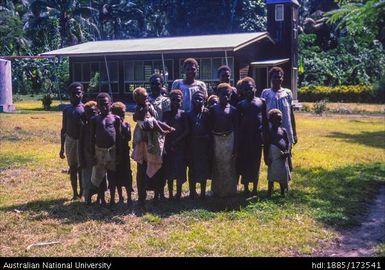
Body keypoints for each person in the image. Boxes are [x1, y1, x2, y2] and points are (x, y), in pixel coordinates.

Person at [236, 77, 268, 196]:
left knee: (255, 162)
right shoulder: (240, 104)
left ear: (255, 88)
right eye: (245, 89)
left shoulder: (261, 101)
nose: (248, 91)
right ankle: (246, 188)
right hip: (245, 138)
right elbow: (238, 123)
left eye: (250, 88)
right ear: (242, 91)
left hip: (257, 137)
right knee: (245, 162)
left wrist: (265, 136)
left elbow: (264, 120)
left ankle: (255, 187)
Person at [261, 67, 297, 171]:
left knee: (287, 151)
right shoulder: (265, 93)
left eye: (279, 77)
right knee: (273, 153)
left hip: (286, 126)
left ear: (282, 78)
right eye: (274, 77)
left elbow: (291, 113)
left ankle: (286, 178)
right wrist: (264, 131)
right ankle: (272, 178)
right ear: (270, 78)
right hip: (271, 129)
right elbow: (263, 114)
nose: (277, 79)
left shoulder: (288, 93)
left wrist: (294, 132)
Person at [90, 92, 122, 206]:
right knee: (100, 176)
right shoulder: (94, 119)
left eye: (106, 104)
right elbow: (91, 138)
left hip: (112, 151)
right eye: (100, 104)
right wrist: (92, 154)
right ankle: (102, 198)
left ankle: (113, 198)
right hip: (99, 151)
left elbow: (118, 137)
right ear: (97, 106)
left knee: (112, 175)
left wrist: (119, 153)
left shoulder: (115, 118)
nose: (103, 106)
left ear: (110, 104)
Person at [209, 83, 238, 197]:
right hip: (217, 139)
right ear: (218, 94)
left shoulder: (233, 110)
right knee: (218, 164)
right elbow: (210, 127)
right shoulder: (213, 109)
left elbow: (236, 128)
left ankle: (230, 190)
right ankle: (217, 190)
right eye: (222, 94)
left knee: (229, 165)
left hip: (230, 138)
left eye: (228, 95)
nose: (225, 97)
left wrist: (236, 145)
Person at [148, 74, 171, 200]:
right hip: (148, 135)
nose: (155, 86)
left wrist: (159, 128)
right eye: (153, 83)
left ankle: (161, 191)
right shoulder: (146, 99)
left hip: (161, 134)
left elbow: (167, 118)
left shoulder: (166, 100)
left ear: (162, 85)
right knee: (150, 163)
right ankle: (153, 191)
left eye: (158, 83)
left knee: (161, 164)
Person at [59, 82, 85, 200]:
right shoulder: (67, 110)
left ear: (82, 94)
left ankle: (83, 192)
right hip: (70, 141)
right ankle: (74, 193)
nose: (76, 95)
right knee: (73, 168)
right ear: (69, 95)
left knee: (82, 168)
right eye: (73, 93)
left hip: (82, 141)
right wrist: (61, 148)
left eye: (78, 93)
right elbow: (63, 129)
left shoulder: (85, 109)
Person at [163, 90, 189, 200]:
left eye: (178, 100)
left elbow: (186, 130)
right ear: (170, 101)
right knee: (169, 170)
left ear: (181, 101)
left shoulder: (183, 114)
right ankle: (170, 194)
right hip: (168, 146)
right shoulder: (166, 114)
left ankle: (178, 193)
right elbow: (163, 126)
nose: (175, 102)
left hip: (180, 146)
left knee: (179, 170)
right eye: (173, 100)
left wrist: (177, 141)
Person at [185, 91, 211, 199]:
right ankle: (192, 191)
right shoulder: (188, 115)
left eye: (201, 99)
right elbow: (187, 131)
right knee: (192, 169)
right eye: (196, 99)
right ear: (192, 101)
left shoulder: (207, 113)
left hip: (204, 146)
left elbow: (210, 128)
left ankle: (203, 192)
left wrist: (206, 137)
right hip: (192, 146)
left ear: (204, 100)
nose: (198, 101)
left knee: (203, 168)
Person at [264, 109, 291, 197]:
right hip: (273, 156)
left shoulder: (283, 130)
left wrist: (287, 151)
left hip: (283, 156)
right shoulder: (269, 132)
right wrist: (266, 157)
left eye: (280, 119)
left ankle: (283, 191)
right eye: (277, 119)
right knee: (272, 174)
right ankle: (269, 192)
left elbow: (287, 142)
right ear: (270, 120)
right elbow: (266, 145)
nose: (279, 121)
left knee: (282, 174)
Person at [111, 102, 133, 205]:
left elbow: (128, 137)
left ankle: (129, 197)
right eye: (119, 114)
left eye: (123, 114)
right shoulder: (111, 126)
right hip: (115, 154)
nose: (122, 116)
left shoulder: (126, 125)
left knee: (127, 175)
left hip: (124, 154)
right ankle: (120, 196)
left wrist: (122, 127)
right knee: (116, 176)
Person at [78, 101, 98, 204]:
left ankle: (100, 197)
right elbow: (80, 145)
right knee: (87, 178)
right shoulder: (84, 128)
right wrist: (81, 159)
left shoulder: (100, 126)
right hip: (87, 158)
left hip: (98, 158)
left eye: (93, 113)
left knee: (99, 177)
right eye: (88, 114)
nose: (90, 116)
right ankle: (87, 198)